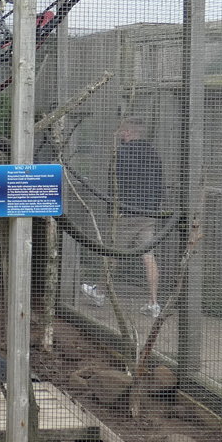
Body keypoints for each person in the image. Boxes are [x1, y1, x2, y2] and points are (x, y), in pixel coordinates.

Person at [81, 116, 165, 318]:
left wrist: (114, 209)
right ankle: (153, 303)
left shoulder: (122, 153)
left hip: (127, 213)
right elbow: (159, 183)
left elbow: (117, 183)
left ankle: (99, 292)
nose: (118, 135)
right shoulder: (153, 153)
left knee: (113, 253)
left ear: (127, 133)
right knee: (148, 255)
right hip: (149, 213)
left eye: (121, 131)